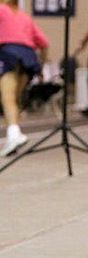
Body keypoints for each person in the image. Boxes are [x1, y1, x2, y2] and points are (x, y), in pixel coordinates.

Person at [0, 0, 49, 157]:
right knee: (15, 99)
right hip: (29, 57)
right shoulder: (25, 17)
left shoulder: (1, 10)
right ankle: (12, 137)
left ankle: (14, 134)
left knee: (7, 98)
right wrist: (40, 65)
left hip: (9, 53)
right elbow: (44, 43)